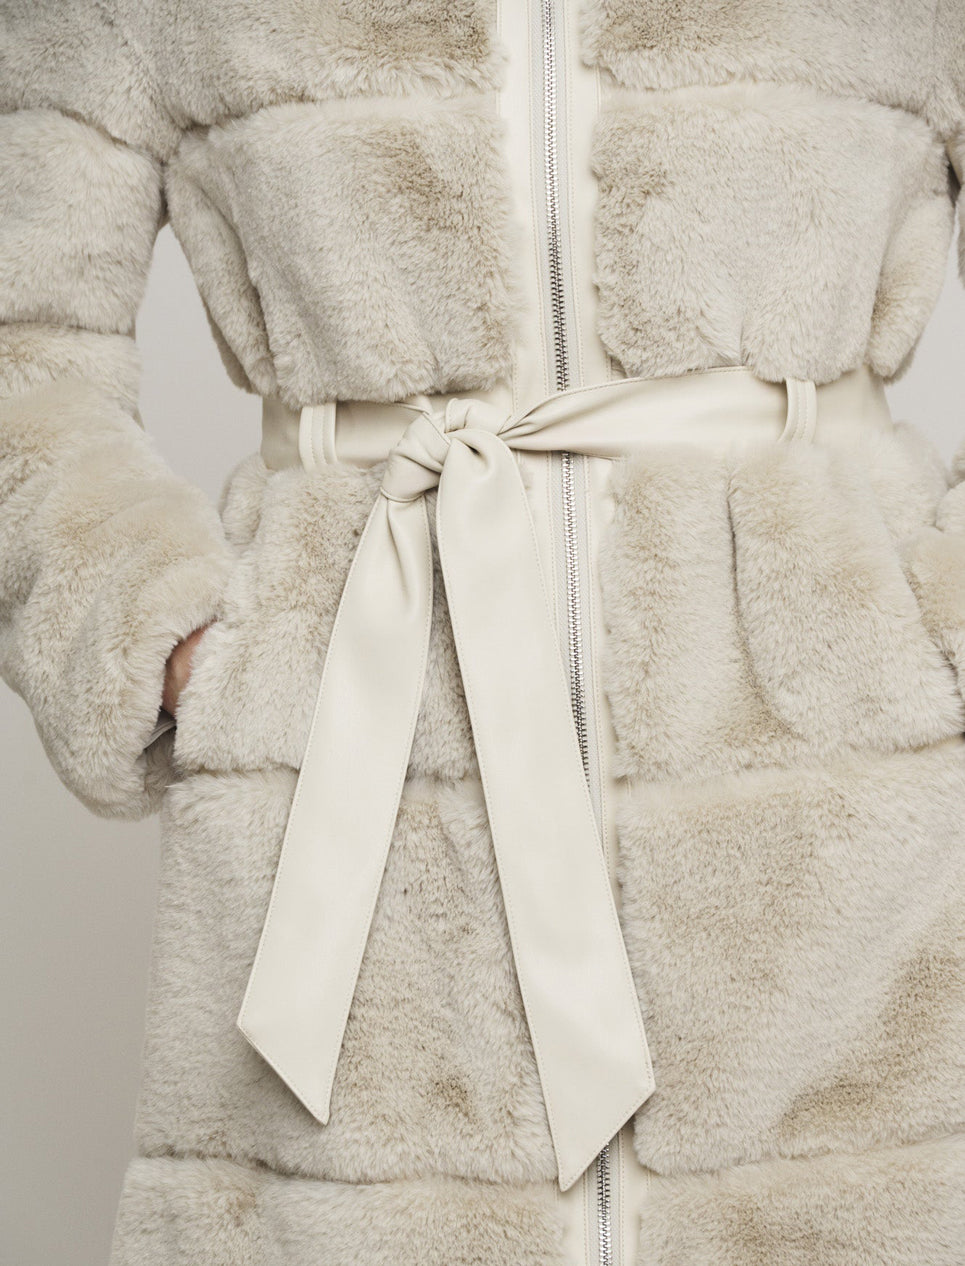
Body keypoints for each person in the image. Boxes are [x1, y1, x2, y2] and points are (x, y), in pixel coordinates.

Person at [2, 3, 964, 1263]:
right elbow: (25, 346)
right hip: (359, 762)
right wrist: (164, 639)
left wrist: (927, 628)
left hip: (838, 835)